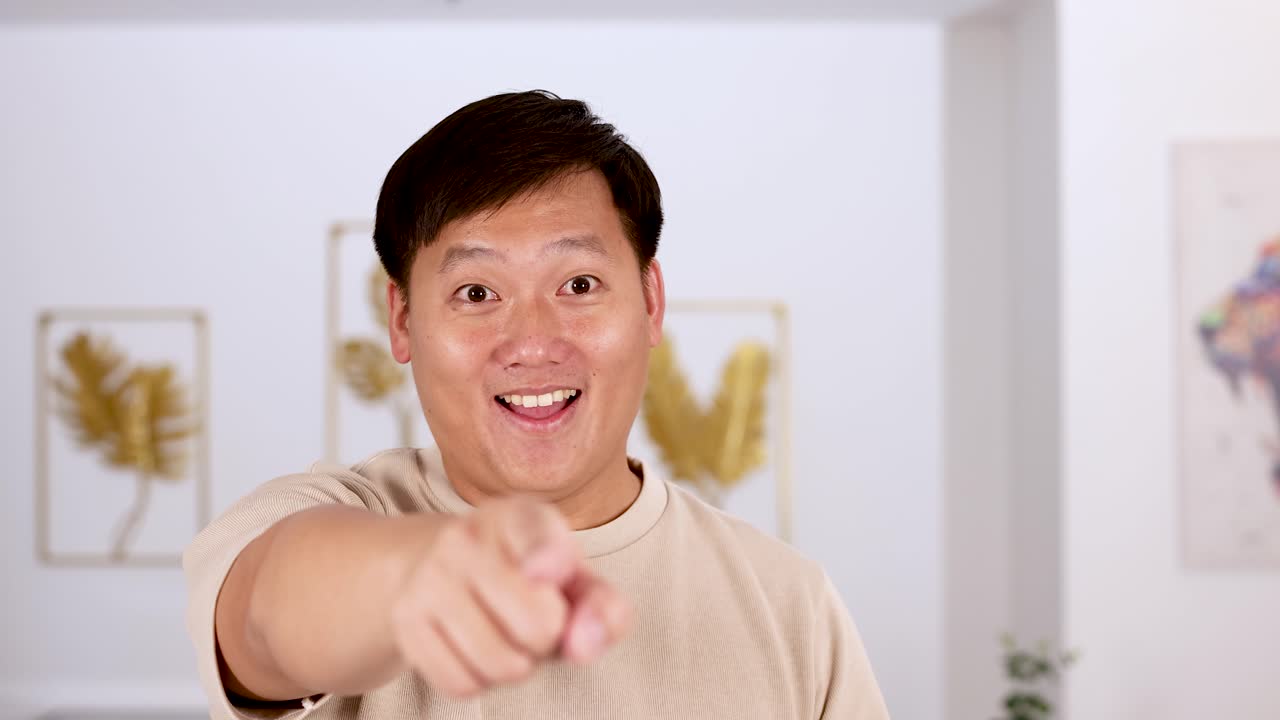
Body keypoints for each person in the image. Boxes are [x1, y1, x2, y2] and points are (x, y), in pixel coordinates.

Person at [184, 90, 889, 719]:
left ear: (649, 301)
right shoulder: (315, 518)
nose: (531, 343)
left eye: (578, 284)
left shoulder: (789, 600)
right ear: (402, 320)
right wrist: (415, 580)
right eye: (477, 293)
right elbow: (270, 616)